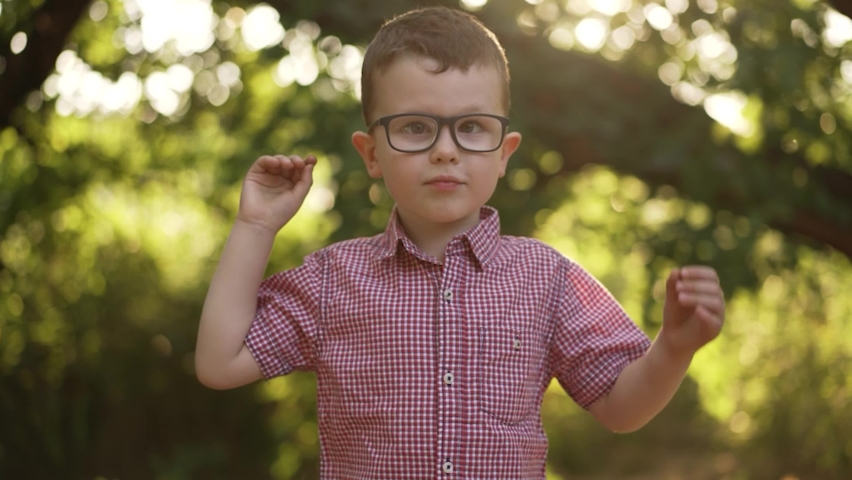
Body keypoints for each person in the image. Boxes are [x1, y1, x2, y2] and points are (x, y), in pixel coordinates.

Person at [195, 6, 725, 479]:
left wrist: (673, 348)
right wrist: (256, 226)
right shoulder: (334, 280)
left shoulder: (547, 277)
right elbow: (220, 364)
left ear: (504, 152)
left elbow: (620, 407)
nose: (446, 150)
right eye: (415, 127)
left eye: (471, 127)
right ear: (371, 153)